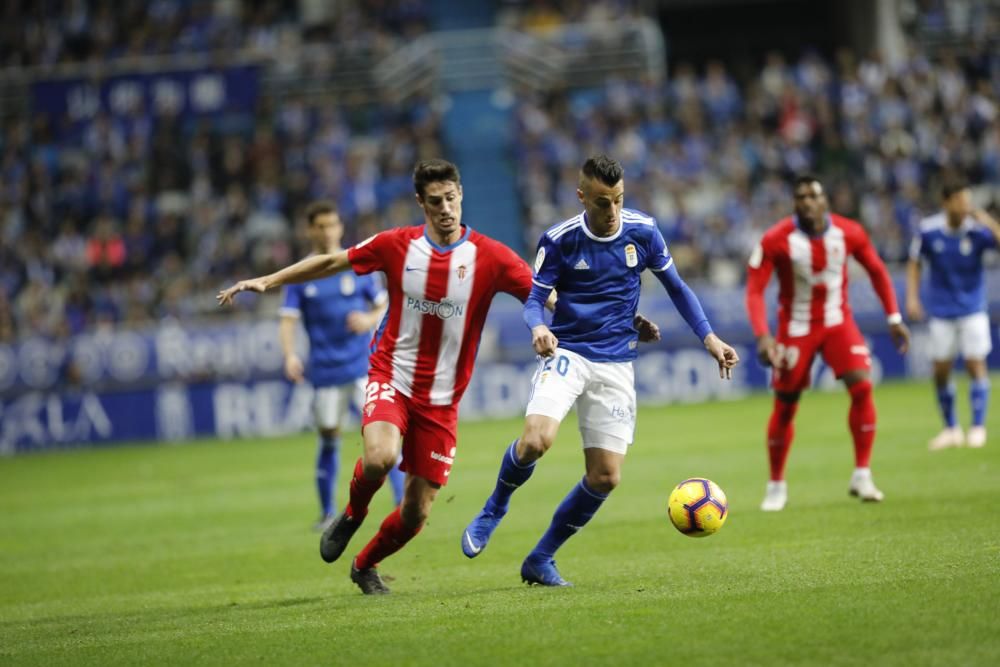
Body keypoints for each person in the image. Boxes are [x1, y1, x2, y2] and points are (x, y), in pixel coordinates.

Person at [218, 159, 543, 595]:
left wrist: (609, 316)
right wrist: (267, 280)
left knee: (416, 514)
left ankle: (364, 564)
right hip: (392, 375)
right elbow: (334, 260)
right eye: (434, 202)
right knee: (379, 457)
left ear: (461, 195)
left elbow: (544, 295)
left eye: (450, 198)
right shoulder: (397, 245)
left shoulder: (493, 256)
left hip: (442, 400)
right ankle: (352, 514)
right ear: (420, 204)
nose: (445, 208)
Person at [461, 155, 740, 587]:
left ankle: (540, 558)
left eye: (618, 200)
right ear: (582, 197)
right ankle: (495, 506)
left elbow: (678, 289)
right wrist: (538, 327)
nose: (611, 212)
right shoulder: (560, 240)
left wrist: (709, 338)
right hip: (568, 352)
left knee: (606, 476)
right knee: (537, 440)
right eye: (602, 203)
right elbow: (536, 299)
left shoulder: (643, 231)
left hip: (616, 363)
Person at [745, 174, 911, 512]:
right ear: (795, 203)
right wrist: (763, 335)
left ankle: (862, 473)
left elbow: (878, 270)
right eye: (800, 196)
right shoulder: (776, 239)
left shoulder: (849, 232)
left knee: (862, 386)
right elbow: (754, 290)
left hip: (838, 322)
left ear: (825, 202)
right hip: (796, 327)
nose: (806, 201)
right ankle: (776, 484)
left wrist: (894, 317)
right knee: (786, 404)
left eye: (813, 195)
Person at [278, 200, 402, 531]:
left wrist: (368, 319)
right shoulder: (302, 273)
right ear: (309, 230)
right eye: (320, 226)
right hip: (326, 373)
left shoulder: (356, 265)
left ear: (340, 227)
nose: (327, 231)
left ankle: (403, 503)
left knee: (384, 437)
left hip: (365, 369)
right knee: (330, 437)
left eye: (332, 224)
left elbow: (383, 304)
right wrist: (290, 354)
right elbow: (287, 320)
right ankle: (327, 512)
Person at [905, 181, 1000, 450]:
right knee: (940, 371)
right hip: (941, 311)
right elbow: (914, 263)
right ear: (946, 202)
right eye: (960, 200)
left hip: (973, 309)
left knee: (975, 364)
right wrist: (912, 298)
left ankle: (978, 427)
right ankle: (951, 429)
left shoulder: (977, 231)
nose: (965, 206)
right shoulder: (928, 230)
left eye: (967, 201)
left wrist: (987, 220)